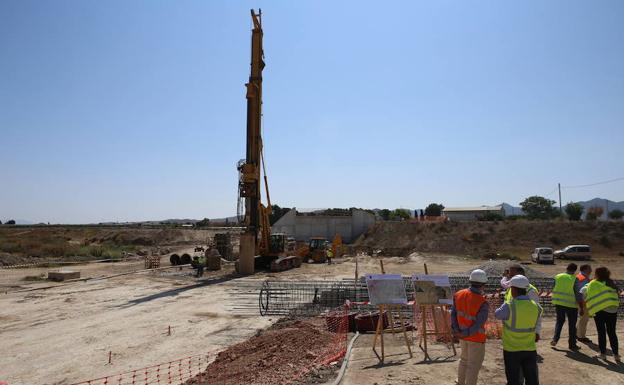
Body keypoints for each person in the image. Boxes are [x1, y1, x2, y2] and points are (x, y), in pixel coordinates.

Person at [495, 275, 542, 385]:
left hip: (511, 349)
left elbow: (497, 314)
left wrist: (507, 301)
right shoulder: (536, 306)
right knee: (532, 379)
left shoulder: (509, 306)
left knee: (513, 380)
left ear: (514, 289)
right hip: (529, 348)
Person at [451, 269, 489, 385]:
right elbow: (478, 323)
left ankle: (461, 382)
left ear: (470, 281)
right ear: (483, 285)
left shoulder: (458, 294)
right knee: (473, 365)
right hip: (476, 338)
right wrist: (466, 333)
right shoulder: (482, 302)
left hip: (462, 336)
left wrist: (457, 331)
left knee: (464, 361)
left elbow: (453, 314)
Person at [583, 267, 620, 362]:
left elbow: (584, 291)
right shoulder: (611, 283)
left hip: (600, 310)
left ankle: (603, 354)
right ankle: (616, 355)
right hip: (612, 310)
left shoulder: (594, 283)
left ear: (597, 274)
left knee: (601, 332)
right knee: (612, 333)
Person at [551, 263, 583, 350]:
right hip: (571, 305)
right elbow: (578, 294)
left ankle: (555, 339)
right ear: (575, 270)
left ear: (567, 268)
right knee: (572, 325)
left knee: (559, 322)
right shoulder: (575, 279)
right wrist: (581, 307)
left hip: (559, 303)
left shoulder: (558, 276)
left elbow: (554, 287)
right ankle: (572, 344)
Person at [575, 264, 592, 343]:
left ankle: (578, 334)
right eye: (589, 268)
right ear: (585, 269)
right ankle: (581, 336)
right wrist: (582, 306)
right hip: (583, 303)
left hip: (581, 302)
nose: (591, 270)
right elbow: (581, 293)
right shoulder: (583, 278)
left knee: (582, 319)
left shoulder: (580, 276)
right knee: (583, 320)